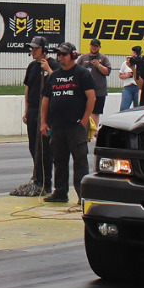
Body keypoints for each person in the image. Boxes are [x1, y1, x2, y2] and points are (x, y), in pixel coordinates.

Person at [40, 42, 96, 204]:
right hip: (57, 126)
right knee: (59, 160)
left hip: (75, 126)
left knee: (80, 160)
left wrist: (84, 120)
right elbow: (46, 100)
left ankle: (82, 195)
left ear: (73, 55)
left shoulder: (82, 73)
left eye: (63, 54)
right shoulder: (54, 76)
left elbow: (91, 97)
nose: (60, 57)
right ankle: (60, 192)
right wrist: (44, 122)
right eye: (58, 54)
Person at [11, 36, 54, 196]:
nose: (33, 51)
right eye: (32, 48)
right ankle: (37, 178)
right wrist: (26, 109)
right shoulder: (32, 66)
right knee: (33, 146)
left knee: (45, 148)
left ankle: (46, 182)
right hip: (33, 110)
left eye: (36, 48)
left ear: (44, 49)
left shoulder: (53, 65)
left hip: (47, 112)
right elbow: (28, 88)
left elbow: (58, 83)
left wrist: (49, 70)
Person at [78, 38, 111, 134]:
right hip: (84, 90)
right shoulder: (83, 58)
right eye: (92, 45)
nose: (94, 47)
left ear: (99, 47)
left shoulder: (103, 58)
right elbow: (76, 69)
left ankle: (93, 131)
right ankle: (82, 129)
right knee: (83, 110)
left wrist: (99, 65)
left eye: (96, 46)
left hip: (99, 91)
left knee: (96, 112)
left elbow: (107, 72)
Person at [118, 46, 142, 111]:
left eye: (136, 53)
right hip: (128, 87)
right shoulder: (126, 63)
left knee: (138, 107)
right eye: (133, 52)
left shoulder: (141, 62)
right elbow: (120, 75)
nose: (134, 54)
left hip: (137, 87)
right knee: (124, 108)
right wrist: (127, 75)